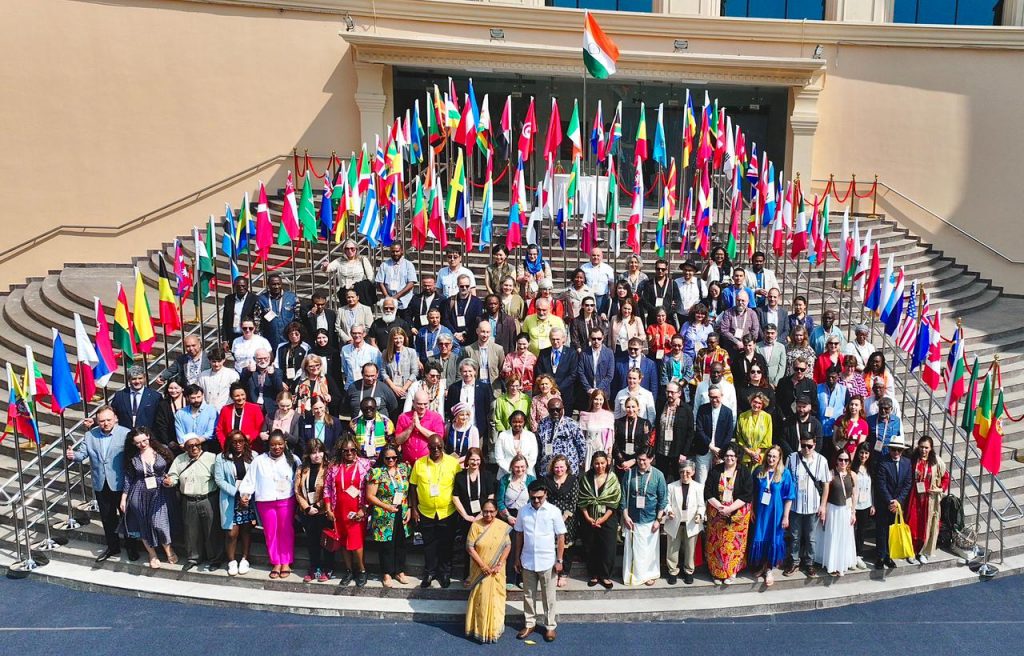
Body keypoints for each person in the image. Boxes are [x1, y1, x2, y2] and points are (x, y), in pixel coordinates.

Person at [67, 406, 132, 561]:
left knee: (127, 517)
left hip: (121, 482)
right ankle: (113, 547)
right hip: (101, 483)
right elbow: (82, 454)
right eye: (102, 421)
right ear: (97, 421)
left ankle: (131, 547)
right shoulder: (90, 435)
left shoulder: (126, 433)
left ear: (115, 418)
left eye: (108, 420)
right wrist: (72, 455)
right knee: (107, 518)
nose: (105, 423)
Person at [238, 431, 298, 577]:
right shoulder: (259, 460)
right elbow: (250, 479)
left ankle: (286, 561)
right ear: (268, 445)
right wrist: (245, 494)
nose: (276, 447)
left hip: (286, 500)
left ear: (285, 444)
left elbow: (299, 479)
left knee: (285, 530)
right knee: (271, 532)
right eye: (273, 445)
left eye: (279, 444)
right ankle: (276, 562)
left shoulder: (293, 460)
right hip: (265, 501)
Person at [514, 479, 566, 643]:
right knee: (528, 595)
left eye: (540, 497)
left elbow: (561, 536)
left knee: (548, 597)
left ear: (546, 495)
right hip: (528, 560)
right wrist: (516, 558)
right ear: (529, 495)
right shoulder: (523, 511)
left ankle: (550, 626)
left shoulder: (554, 511)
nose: (536, 501)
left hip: (547, 561)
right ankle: (530, 623)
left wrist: (559, 560)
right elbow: (519, 535)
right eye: (533, 497)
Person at [119, 428, 176, 569]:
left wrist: (171, 479)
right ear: (133, 443)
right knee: (143, 524)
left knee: (159, 523)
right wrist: (123, 498)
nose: (143, 444)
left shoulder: (162, 450)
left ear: (149, 437)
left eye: (144, 440)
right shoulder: (133, 457)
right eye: (138, 443)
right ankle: (152, 554)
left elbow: (173, 469)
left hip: (160, 490)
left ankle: (169, 550)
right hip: (139, 491)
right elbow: (128, 478)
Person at [410, 434, 461, 588]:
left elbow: (459, 486)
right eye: (433, 447)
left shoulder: (453, 463)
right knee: (429, 544)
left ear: (443, 446)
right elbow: (413, 485)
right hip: (426, 511)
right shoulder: (419, 464)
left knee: (446, 543)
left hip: (447, 511)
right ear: (428, 447)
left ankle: (445, 573)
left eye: (439, 447)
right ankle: (430, 572)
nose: (436, 450)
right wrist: (413, 508)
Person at [165, 435, 221, 571]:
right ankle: (193, 558)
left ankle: (215, 559)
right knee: (191, 531)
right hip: (189, 500)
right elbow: (173, 475)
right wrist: (170, 481)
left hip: (208, 498)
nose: (194, 448)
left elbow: (219, 476)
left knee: (211, 530)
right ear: (185, 448)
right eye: (190, 446)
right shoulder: (180, 459)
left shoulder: (211, 458)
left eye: (197, 445)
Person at [324, 438, 371, 587]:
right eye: (346, 451)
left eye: (352, 450)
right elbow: (327, 489)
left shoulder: (365, 464)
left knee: (356, 543)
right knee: (343, 542)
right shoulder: (334, 467)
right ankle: (349, 570)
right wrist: (328, 508)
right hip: (339, 510)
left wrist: (364, 508)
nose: (349, 453)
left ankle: (362, 570)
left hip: (357, 511)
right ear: (341, 451)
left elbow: (371, 488)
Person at [704, 442, 753, 585]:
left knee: (733, 546)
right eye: (726, 455)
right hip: (717, 513)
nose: (729, 458)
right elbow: (707, 491)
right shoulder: (715, 471)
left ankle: (732, 572)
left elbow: (747, 494)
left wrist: (730, 509)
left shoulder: (744, 472)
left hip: (737, 515)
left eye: (732, 455)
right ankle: (716, 572)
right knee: (718, 545)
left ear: (737, 457)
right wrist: (720, 507)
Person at [464, 498, 512, 644]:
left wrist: (500, 563)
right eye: (485, 511)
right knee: (481, 600)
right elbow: (469, 547)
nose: (488, 515)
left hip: (497, 570)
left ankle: (493, 630)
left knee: (497, 598)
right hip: (480, 570)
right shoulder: (475, 526)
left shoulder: (502, 526)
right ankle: (479, 630)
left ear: (497, 512)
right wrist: (483, 566)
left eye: (491, 511)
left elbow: (508, 545)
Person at [365, 445, 412, 588]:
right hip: (384, 513)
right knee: (386, 545)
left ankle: (399, 571)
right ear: (383, 458)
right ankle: (386, 573)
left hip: (402, 511)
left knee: (401, 543)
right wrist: (387, 507)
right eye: (388, 458)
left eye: (394, 457)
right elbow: (370, 496)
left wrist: (409, 508)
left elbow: (409, 491)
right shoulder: (377, 472)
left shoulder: (404, 469)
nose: (391, 460)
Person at [749, 445, 795, 587]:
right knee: (761, 537)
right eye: (769, 456)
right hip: (761, 511)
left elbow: (789, 497)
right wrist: (751, 510)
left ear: (779, 458)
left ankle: (769, 569)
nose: (771, 459)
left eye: (774, 456)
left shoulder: (785, 473)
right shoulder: (759, 471)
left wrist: (786, 516)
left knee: (773, 538)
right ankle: (762, 566)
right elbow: (752, 492)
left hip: (776, 512)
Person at [621, 448, 667, 587]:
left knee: (649, 550)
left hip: (650, 519)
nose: (641, 462)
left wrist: (658, 520)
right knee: (633, 550)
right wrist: (625, 516)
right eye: (639, 459)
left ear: (651, 459)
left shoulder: (658, 475)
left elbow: (663, 499)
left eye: (645, 459)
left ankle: (648, 575)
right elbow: (623, 497)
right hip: (632, 519)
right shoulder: (629, 474)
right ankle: (633, 575)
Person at [784, 433, 829, 577]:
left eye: (809, 446)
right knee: (795, 536)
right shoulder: (791, 458)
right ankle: (794, 562)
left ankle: (809, 563)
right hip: (795, 506)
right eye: (803, 445)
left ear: (814, 445)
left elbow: (826, 485)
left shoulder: (821, 460)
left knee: (811, 537)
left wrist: (823, 506)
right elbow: (787, 481)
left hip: (813, 506)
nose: (806, 449)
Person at [214, 431, 255, 577]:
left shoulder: (253, 456)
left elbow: (256, 477)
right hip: (231, 499)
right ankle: (231, 561)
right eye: (234, 442)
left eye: (241, 441)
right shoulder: (221, 458)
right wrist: (237, 493)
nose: (238, 444)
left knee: (246, 530)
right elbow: (219, 480)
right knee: (231, 533)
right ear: (229, 443)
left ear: (245, 442)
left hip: (248, 499)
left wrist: (246, 494)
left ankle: (245, 558)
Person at [295, 438, 333, 583]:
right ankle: (314, 567)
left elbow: (330, 491)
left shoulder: (329, 468)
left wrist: (317, 506)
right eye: (313, 452)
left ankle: (328, 567)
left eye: (319, 452)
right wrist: (306, 507)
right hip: (307, 511)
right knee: (312, 542)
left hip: (323, 511)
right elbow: (297, 490)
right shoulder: (302, 469)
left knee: (326, 542)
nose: (317, 455)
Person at [906, 436, 949, 564]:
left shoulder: (936, 461)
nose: (923, 450)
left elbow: (946, 477)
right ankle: (911, 551)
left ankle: (924, 552)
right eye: (921, 447)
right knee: (912, 524)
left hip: (929, 499)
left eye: (926, 447)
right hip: (914, 497)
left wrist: (940, 489)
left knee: (927, 525)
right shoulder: (913, 459)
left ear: (931, 448)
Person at [874, 435, 913, 569]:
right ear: (889, 450)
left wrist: (898, 501)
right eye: (894, 450)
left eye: (899, 450)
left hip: (898, 503)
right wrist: (890, 501)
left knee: (892, 531)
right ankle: (880, 556)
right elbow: (881, 484)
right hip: (885, 502)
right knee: (882, 530)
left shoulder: (907, 463)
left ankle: (889, 556)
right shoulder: (883, 462)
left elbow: (908, 483)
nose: (896, 453)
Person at [664, 460, 704, 585]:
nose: (685, 475)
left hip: (691, 522)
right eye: (682, 472)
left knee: (690, 548)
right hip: (675, 521)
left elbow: (701, 505)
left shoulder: (698, 487)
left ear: (693, 472)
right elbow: (666, 503)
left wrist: (699, 515)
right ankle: (673, 571)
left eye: (687, 472)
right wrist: (669, 511)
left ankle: (688, 571)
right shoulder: (671, 486)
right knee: (672, 548)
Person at [820, 449, 858, 577]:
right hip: (833, 509)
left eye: (846, 460)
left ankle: (842, 564)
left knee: (844, 537)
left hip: (846, 511)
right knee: (833, 536)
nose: (843, 462)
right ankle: (832, 565)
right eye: (840, 459)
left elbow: (854, 495)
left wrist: (853, 512)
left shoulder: (852, 475)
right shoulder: (830, 474)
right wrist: (823, 508)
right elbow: (825, 493)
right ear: (836, 460)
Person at [544, 455, 579, 588]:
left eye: (561, 467)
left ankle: (564, 573)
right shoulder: (547, 480)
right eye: (556, 467)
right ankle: (553, 571)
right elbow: (545, 499)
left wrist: (563, 517)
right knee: (551, 545)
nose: (559, 469)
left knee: (566, 546)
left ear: (566, 467)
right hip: (550, 517)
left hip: (568, 518)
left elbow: (574, 500)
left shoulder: (573, 479)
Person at [654, 382, 696, 483]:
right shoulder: (661, 405)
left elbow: (690, 433)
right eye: (667, 392)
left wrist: (684, 453)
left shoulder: (686, 409)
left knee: (678, 479)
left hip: (677, 452)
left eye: (672, 392)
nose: (669, 395)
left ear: (679, 393)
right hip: (661, 450)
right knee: (660, 479)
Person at [445, 359, 493, 445]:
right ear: (460, 372)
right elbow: (449, 407)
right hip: (458, 429)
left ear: (475, 371)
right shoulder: (454, 388)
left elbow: (487, 408)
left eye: (470, 371)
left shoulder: (483, 388)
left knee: (475, 455)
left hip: (477, 429)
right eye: (464, 371)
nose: (467, 374)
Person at [535, 397, 587, 475]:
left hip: (568, 468)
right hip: (547, 468)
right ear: (548, 410)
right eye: (552, 410)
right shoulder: (543, 423)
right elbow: (539, 445)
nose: (555, 412)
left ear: (563, 409)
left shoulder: (571, 424)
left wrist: (576, 462)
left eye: (558, 410)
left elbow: (582, 446)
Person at [694, 388, 736, 483]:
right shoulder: (702, 409)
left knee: (719, 481)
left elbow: (729, 434)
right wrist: (710, 446)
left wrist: (720, 451)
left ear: (721, 396)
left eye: (716, 397)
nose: (714, 400)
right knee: (701, 480)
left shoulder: (728, 412)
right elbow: (699, 430)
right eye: (711, 397)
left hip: (720, 452)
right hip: (704, 449)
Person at [395, 390, 445, 467]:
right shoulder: (403, 417)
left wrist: (420, 428)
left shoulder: (436, 417)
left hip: (428, 463)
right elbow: (398, 441)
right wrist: (411, 427)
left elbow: (439, 439)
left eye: (425, 404)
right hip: (408, 463)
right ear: (413, 402)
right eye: (419, 404)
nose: (422, 407)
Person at [535, 327, 578, 412]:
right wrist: (549, 388)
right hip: (546, 394)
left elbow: (573, 374)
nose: (555, 342)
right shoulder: (544, 353)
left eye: (558, 339)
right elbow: (539, 372)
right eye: (553, 339)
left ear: (563, 339)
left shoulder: (571, 353)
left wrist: (557, 388)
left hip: (565, 394)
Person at [215, 382, 265, 451]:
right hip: (229, 448)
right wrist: (225, 444)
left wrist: (249, 437)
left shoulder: (255, 408)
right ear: (232, 397)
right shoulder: (225, 409)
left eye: (242, 395)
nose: (240, 398)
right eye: (237, 396)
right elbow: (219, 430)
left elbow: (260, 428)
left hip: (250, 447)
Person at [257, 273, 300, 351]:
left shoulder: (292, 297)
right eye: (273, 284)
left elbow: (298, 318)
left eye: (278, 284)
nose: (276, 287)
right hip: (269, 340)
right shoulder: (261, 299)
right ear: (268, 285)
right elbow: (257, 321)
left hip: (289, 339)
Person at [110, 365, 161, 431]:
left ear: (145, 378)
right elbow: (112, 414)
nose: (137, 381)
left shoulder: (155, 396)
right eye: (134, 379)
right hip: (125, 435)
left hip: (147, 436)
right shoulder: (119, 396)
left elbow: (160, 420)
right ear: (129, 380)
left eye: (140, 378)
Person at [462, 321, 505, 396]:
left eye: (488, 332)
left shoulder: (498, 349)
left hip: (493, 389)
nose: (485, 335)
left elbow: (501, 368)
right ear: (477, 331)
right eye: (483, 332)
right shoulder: (468, 350)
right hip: (475, 387)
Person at [612, 396, 654, 473]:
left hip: (638, 462)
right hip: (621, 462)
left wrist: (634, 460)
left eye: (633, 407)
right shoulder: (618, 423)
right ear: (625, 408)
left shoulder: (645, 423)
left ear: (638, 408)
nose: (631, 410)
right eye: (628, 407)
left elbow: (646, 444)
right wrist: (622, 461)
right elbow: (614, 443)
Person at [578, 389, 615, 471]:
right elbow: (581, 437)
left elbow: (610, 438)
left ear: (604, 400)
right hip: (589, 450)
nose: (598, 402)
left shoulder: (608, 415)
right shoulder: (584, 415)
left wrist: (609, 455)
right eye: (596, 399)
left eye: (600, 399)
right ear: (592, 400)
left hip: (602, 450)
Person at [494, 411, 538, 479]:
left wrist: (522, 470)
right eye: (514, 422)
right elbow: (499, 458)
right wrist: (512, 471)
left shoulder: (531, 436)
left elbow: (533, 458)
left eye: (520, 422)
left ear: (524, 423)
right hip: (506, 475)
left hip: (527, 475)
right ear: (510, 422)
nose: (517, 424)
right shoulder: (503, 436)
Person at [613, 337, 659, 402]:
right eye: (630, 348)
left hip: (643, 400)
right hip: (624, 400)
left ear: (641, 349)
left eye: (635, 349)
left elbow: (654, 386)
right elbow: (614, 385)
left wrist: (652, 402)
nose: (632, 351)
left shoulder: (650, 364)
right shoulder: (619, 363)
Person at [241, 348, 284, 417]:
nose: (263, 361)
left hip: (270, 409)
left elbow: (279, 389)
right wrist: (248, 372)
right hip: (253, 407)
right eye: (259, 359)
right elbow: (242, 385)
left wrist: (272, 375)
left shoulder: (277, 371)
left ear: (269, 358)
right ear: (254, 359)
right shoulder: (247, 370)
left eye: (265, 358)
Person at [375, 242, 418, 312]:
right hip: (389, 304)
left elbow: (411, 283)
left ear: (402, 251)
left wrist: (396, 297)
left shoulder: (408, 265)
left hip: (405, 302)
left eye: (397, 251)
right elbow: (380, 282)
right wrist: (387, 297)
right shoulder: (384, 265)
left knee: (405, 322)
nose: (395, 254)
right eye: (393, 252)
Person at [638, 258, 682, 326]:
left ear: (666, 270)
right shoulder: (649, 284)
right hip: (652, 319)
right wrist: (655, 311)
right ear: (655, 269)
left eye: (663, 269)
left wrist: (667, 312)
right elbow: (645, 301)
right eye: (658, 269)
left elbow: (678, 301)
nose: (660, 271)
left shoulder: (673, 284)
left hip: (668, 319)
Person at [719, 289, 761, 359]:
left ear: (747, 302)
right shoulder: (728, 312)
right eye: (738, 300)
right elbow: (724, 330)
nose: (740, 302)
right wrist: (736, 342)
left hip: (747, 349)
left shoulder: (752, 314)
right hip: (732, 349)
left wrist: (745, 344)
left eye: (743, 300)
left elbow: (755, 331)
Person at [852, 443, 875, 569]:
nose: (863, 455)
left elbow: (872, 488)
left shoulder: (870, 468)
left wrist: (872, 504)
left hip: (866, 505)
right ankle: (850, 554)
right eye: (861, 452)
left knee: (861, 531)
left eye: (866, 453)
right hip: (854, 506)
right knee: (852, 531)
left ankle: (858, 555)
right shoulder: (853, 468)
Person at [444, 274, 484, 346]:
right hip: (453, 339)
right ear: (457, 285)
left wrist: (464, 333)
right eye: (461, 286)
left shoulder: (477, 302)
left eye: (467, 286)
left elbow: (477, 320)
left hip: (470, 340)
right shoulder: (449, 301)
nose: (464, 288)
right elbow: (445, 319)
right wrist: (455, 333)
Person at [736, 391, 773, 469]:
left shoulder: (767, 417)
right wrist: (749, 452)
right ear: (751, 402)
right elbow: (739, 437)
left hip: (760, 457)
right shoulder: (742, 416)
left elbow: (767, 438)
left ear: (763, 405)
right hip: (745, 457)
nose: (756, 405)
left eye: (759, 403)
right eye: (755, 402)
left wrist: (756, 453)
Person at [174, 384, 218, 450]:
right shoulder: (180, 413)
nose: (196, 400)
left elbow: (210, 432)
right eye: (193, 398)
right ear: (187, 398)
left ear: (203, 396)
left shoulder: (211, 410)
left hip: (206, 446)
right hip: (186, 447)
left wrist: (194, 442)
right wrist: (187, 444)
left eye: (199, 397)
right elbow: (180, 434)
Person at [777, 356, 818, 425]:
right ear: (793, 368)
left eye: (802, 369)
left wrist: (807, 419)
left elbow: (814, 404)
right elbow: (777, 402)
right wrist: (782, 417)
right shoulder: (783, 382)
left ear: (806, 369)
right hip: (785, 419)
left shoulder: (811, 384)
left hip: (803, 421)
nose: (799, 371)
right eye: (796, 369)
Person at [220, 275, 258, 348]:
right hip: (233, 337)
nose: (241, 288)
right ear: (234, 287)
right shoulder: (229, 299)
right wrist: (224, 340)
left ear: (247, 286)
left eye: (243, 286)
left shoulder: (254, 299)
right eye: (238, 286)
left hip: (248, 336)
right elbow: (225, 320)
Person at [152, 379, 187, 453]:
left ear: (182, 388)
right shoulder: (163, 404)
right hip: (172, 443)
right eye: (171, 388)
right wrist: (168, 442)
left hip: (189, 440)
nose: (173, 390)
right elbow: (161, 425)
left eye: (176, 388)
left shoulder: (189, 401)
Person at [830, 395, 869, 461]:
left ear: (860, 407)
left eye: (856, 405)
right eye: (851, 404)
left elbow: (860, 444)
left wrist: (852, 455)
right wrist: (840, 452)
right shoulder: (840, 419)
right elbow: (834, 439)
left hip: (853, 457)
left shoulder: (864, 424)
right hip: (839, 455)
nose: (853, 407)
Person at [660, 335, 694, 405]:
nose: (677, 348)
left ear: (683, 345)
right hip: (669, 389)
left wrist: (679, 385)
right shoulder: (666, 358)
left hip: (683, 389)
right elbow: (664, 375)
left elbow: (689, 373)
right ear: (671, 345)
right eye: (674, 345)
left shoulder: (688, 358)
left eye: (679, 345)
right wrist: (670, 387)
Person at [818, 366, 849, 443]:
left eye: (833, 377)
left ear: (838, 376)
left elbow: (847, 409)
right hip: (820, 431)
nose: (830, 379)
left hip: (836, 432)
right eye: (828, 377)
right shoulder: (818, 388)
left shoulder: (844, 390)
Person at [581, 247, 615, 317]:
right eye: (593, 255)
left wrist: (612, 295)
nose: (595, 257)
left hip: (602, 297)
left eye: (598, 255)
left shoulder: (608, 268)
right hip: (588, 296)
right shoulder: (584, 267)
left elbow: (611, 283)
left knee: (601, 317)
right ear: (590, 256)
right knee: (588, 316)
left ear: (602, 256)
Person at [275, 321, 310, 390]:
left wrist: (296, 382)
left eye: (296, 334)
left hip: (300, 381)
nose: (294, 336)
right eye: (291, 334)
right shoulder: (281, 347)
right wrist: (280, 381)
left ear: (301, 334)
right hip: (283, 381)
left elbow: (304, 367)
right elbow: (276, 365)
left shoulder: (306, 348)